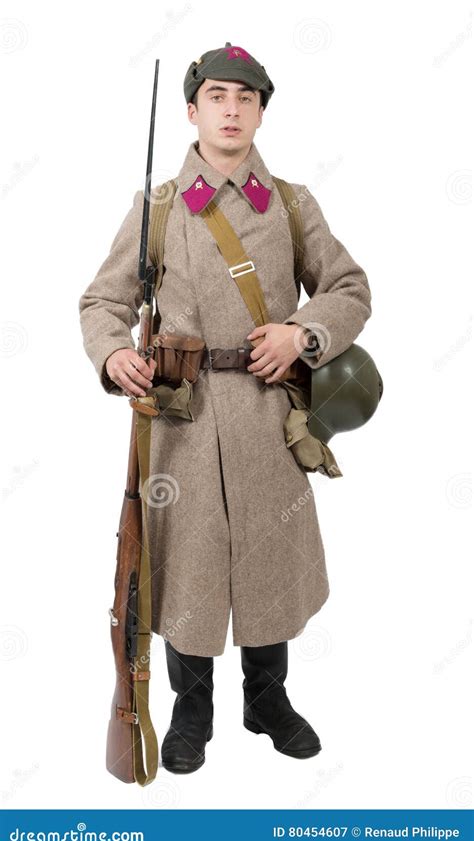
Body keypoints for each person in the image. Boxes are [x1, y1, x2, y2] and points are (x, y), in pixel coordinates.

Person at [78, 42, 372, 774]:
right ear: (193, 109)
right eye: (217, 96)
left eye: (245, 98)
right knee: (190, 565)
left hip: (270, 416)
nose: (231, 110)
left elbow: (349, 288)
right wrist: (114, 355)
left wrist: (303, 332)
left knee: (269, 563)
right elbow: (103, 301)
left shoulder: (294, 203)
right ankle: (192, 706)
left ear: (261, 111)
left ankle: (266, 698)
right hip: (181, 416)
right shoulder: (159, 206)